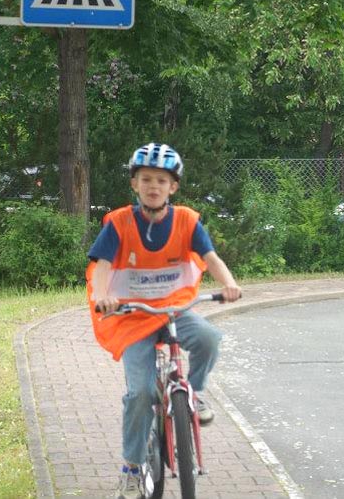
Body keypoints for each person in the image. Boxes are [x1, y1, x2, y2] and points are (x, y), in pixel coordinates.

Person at [86, 142, 242, 499]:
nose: (152, 186)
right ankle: (130, 467)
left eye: (160, 180)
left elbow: (211, 257)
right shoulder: (119, 223)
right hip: (131, 316)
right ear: (134, 184)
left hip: (174, 309)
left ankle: (196, 393)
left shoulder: (187, 220)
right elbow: (104, 267)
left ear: (173, 187)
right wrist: (102, 297)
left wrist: (229, 284)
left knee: (208, 338)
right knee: (140, 393)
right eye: (145, 179)